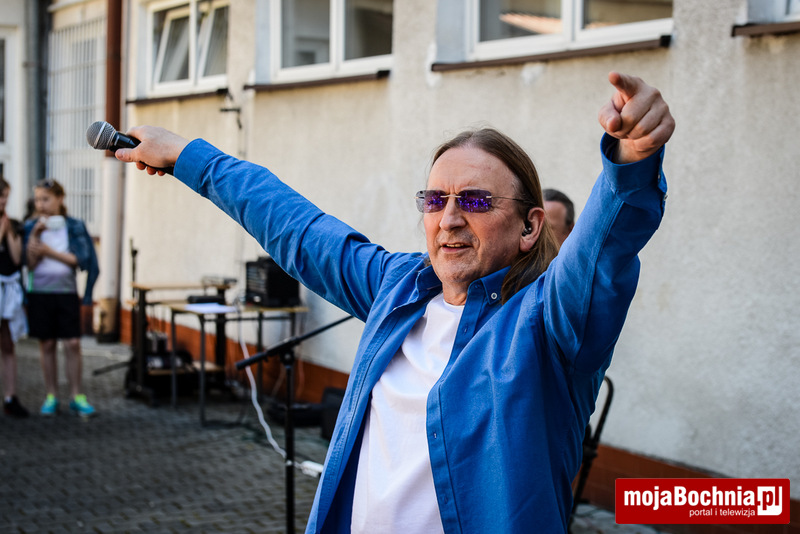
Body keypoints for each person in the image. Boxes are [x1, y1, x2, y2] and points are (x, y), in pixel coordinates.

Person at [116, 71, 674, 533]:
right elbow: (295, 225)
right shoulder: (399, 287)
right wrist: (186, 155)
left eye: (475, 201)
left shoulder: (550, 322)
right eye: (435, 199)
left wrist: (631, 159)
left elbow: (605, 245)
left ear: (530, 227)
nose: (449, 219)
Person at [23, 179, 99, 417]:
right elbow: (29, 264)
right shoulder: (31, 226)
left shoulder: (73, 226)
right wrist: (35, 236)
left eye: (46, 199)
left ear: (60, 199)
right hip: (40, 293)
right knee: (47, 344)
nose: (41, 204)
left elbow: (79, 260)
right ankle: (51, 396)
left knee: (72, 343)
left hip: (66, 293)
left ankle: (76, 395)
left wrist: (49, 252)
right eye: (37, 199)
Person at [0, 176, 30, 418]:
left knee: (8, 343)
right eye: (1, 196)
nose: (4, 202)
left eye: (6, 197)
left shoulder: (14, 224)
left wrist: (8, 230)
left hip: (8, 289)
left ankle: (11, 397)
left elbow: (17, 258)